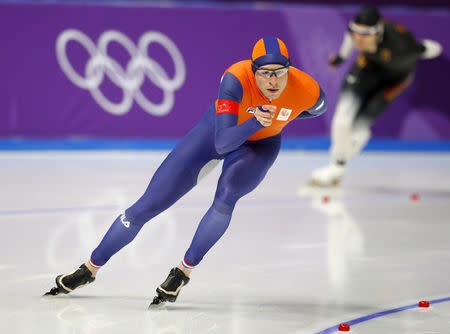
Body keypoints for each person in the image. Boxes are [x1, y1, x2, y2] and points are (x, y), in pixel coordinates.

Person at [44, 37, 327, 307]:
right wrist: (256, 121)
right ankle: (89, 269)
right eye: (265, 73)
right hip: (217, 131)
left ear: (290, 70)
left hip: (260, 146)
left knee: (226, 197)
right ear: (253, 73)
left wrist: (280, 118)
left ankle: (182, 273)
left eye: (280, 72)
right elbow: (222, 141)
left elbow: (314, 109)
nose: (273, 81)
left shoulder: (308, 89)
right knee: (147, 205)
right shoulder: (235, 78)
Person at [310, 6, 442, 187]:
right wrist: (341, 57)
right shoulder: (356, 34)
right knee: (342, 119)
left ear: (378, 33)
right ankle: (336, 165)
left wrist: (424, 48)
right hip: (368, 67)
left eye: (365, 34)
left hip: (394, 79)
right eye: (355, 31)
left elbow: (432, 48)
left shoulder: (402, 44)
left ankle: (345, 154)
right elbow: (349, 37)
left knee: (359, 127)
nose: (358, 38)